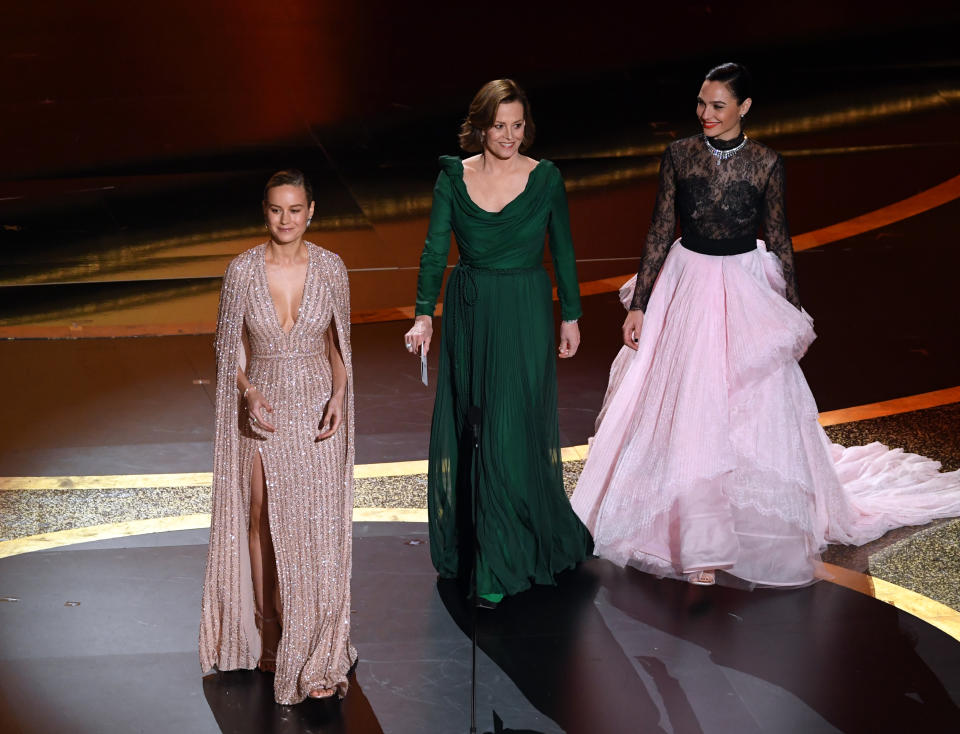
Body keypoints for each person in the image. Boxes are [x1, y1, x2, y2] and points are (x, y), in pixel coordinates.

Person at [572, 63, 960, 588]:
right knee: (687, 406)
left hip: (742, 287)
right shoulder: (680, 154)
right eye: (702, 104)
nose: (705, 114)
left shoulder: (766, 163)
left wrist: (791, 309)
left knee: (742, 408)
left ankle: (722, 538)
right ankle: (691, 540)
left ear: (744, 107)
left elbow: (779, 236)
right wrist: (640, 302)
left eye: (717, 106)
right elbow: (661, 227)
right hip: (685, 285)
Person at [404, 79, 594, 605]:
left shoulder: (546, 178)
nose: (510, 135)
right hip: (470, 311)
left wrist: (571, 317)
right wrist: (424, 315)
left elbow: (564, 249)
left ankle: (500, 562)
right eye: (499, 125)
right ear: (481, 125)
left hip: (526, 312)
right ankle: (483, 544)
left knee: (511, 428)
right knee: (477, 426)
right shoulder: (453, 178)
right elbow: (433, 249)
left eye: (517, 125)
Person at [199, 170, 357, 703]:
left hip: (316, 406)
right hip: (264, 407)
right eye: (275, 210)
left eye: (295, 209)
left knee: (316, 525)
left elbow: (341, 349)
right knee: (262, 520)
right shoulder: (242, 270)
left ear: (311, 210)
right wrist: (246, 391)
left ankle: (315, 643)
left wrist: (339, 397)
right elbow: (228, 352)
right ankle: (271, 633)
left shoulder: (332, 268)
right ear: (263, 212)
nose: (285, 220)